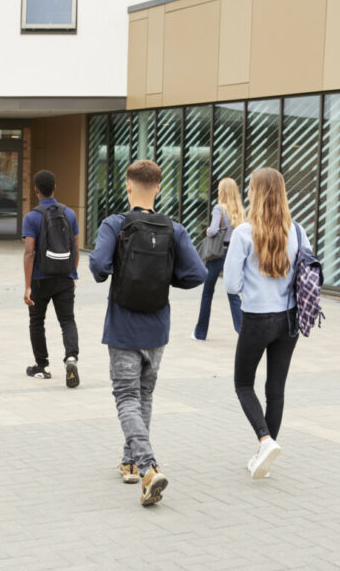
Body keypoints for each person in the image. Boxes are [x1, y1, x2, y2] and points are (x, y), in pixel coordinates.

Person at [89, 160, 206, 505]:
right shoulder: (175, 229)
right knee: (144, 396)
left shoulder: (115, 223)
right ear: (158, 187)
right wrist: (165, 279)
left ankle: (148, 466)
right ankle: (129, 463)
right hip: (157, 327)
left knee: (126, 397)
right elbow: (197, 273)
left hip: (123, 327)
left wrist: (110, 274)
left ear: (127, 186)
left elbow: (97, 264)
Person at [223, 167, 311, 480]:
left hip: (257, 317)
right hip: (289, 319)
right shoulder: (298, 231)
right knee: (275, 388)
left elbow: (231, 285)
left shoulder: (243, 233)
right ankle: (266, 454)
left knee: (243, 383)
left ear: (255, 194)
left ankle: (264, 440)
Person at [21, 170, 80, 386]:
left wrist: (27, 286)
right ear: (55, 188)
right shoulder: (70, 214)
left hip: (39, 278)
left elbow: (29, 252)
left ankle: (42, 366)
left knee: (37, 321)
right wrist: (72, 274)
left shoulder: (32, 217)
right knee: (67, 320)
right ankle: (71, 357)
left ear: (36, 191)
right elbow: (74, 247)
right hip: (64, 277)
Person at [193, 177, 244, 340]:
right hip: (233, 253)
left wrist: (208, 230)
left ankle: (200, 333)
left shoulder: (219, 208)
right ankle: (242, 331)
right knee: (233, 293)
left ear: (222, 191)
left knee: (208, 292)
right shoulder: (239, 210)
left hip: (217, 254)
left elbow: (213, 230)